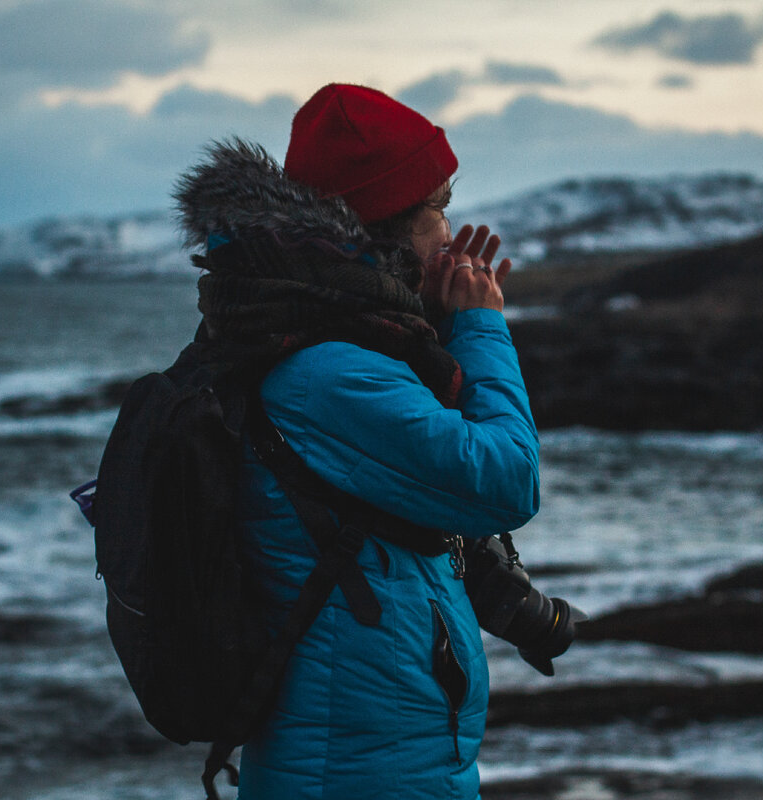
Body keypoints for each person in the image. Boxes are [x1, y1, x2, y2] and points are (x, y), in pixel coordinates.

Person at [173, 83, 540, 800]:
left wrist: (432, 329)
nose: (448, 234)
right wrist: (483, 328)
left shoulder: (332, 344)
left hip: (378, 759)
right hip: (354, 772)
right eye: (437, 209)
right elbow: (506, 479)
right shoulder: (329, 373)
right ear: (384, 227)